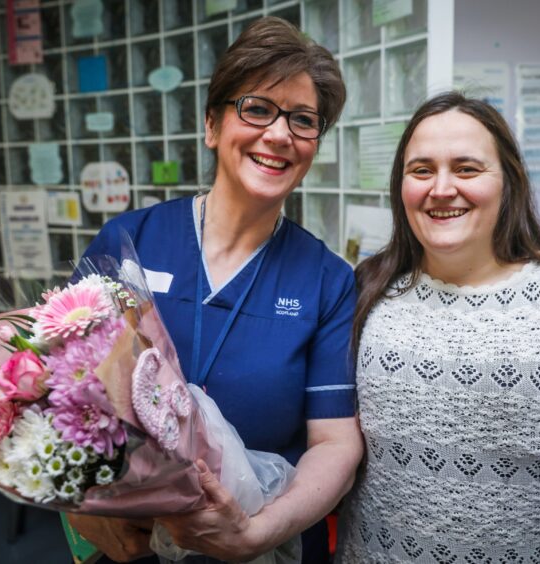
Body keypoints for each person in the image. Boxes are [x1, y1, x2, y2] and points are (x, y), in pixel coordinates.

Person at [68, 17, 363, 564]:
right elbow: (62, 399)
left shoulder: (328, 281)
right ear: (211, 125)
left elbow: (335, 444)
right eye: (256, 108)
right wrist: (79, 510)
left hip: (262, 546)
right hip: (129, 546)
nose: (279, 135)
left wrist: (256, 533)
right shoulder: (129, 241)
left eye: (303, 120)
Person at [336, 91, 540, 562]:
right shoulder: (364, 292)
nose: (441, 188)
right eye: (421, 170)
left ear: (507, 182)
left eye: (467, 169)